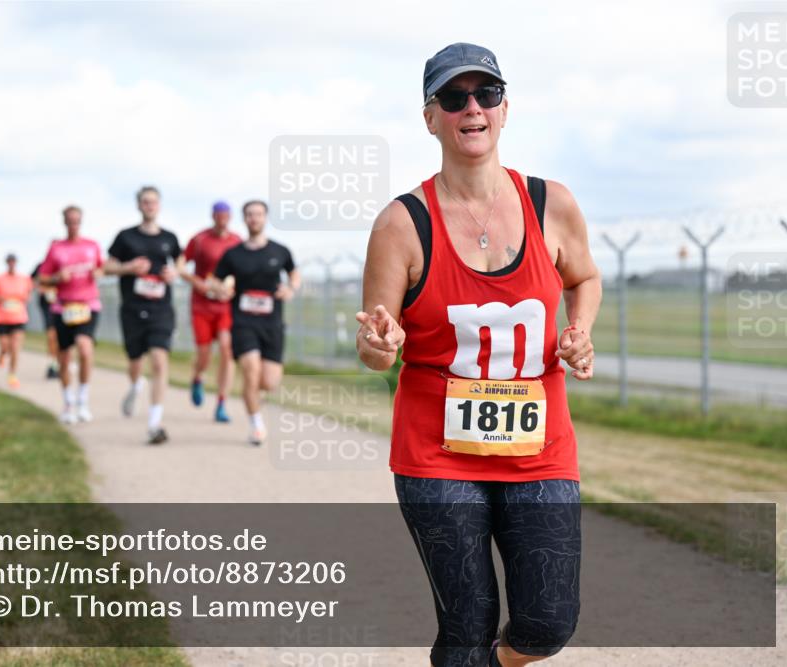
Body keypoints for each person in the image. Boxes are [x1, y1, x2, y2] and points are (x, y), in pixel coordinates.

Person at [355, 43, 602, 667]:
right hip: (438, 457)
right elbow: (376, 348)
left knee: (548, 623)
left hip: (540, 452)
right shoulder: (400, 224)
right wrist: (380, 343)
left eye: (485, 94)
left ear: (505, 108)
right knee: (466, 624)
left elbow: (585, 278)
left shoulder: (553, 202)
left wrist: (581, 329)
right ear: (430, 116)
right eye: (453, 97)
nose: (473, 108)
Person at [211, 200, 299, 445]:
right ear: (244, 218)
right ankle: (256, 424)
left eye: (258, 214)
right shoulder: (233, 254)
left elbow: (294, 273)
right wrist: (220, 289)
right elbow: (214, 280)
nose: (254, 218)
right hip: (243, 322)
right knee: (250, 369)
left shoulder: (280, 251)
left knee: (268, 382)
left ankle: (253, 395)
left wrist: (291, 288)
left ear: (265, 217)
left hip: (272, 324)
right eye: (249, 214)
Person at [104, 185, 181, 445]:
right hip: (133, 309)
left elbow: (179, 263)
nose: (149, 206)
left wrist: (174, 274)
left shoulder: (169, 238)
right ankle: (136, 385)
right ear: (138, 205)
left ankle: (154, 423)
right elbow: (107, 267)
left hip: (161, 308)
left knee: (159, 361)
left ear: (159, 206)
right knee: (135, 361)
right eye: (145, 202)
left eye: (153, 202)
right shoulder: (126, 237)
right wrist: (128, 267)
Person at [38, 205, 105, 424]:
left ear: (81, 221)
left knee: (85, 349)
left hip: (88, 305)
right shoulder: (56, 248)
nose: (74, 224)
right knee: (64, 358)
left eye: (77, 220)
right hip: (63, 307)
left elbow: (102, 268)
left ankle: (83, 400)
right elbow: (42, 278)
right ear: (64, 222)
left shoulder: (92, 246)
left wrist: (98, 272)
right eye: (70, 221)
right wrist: (57, 277)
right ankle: (68, 402)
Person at [178, 200, 242, 422]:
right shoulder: (200, 239)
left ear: (230, 217)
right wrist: (197, 282)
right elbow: (180, 266)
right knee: (204, 354)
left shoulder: (236, 241)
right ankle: (197, 377)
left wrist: (234, 289)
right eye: (218, 214)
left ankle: (222, 402)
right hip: (202, 305)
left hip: (225, 306)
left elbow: (243, 271)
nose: (222, 218)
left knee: (227, 349)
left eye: (226, 215)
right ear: (213, 216)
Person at [0, 253, 34, 389]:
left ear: (16, 263)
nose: (12, 264)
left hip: (19, 317)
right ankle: (2, 353)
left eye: (14, 261)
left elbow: (29, 293)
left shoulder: (24, 279)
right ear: (6, 263)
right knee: (5, 345)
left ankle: (12, 375)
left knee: (16, 347)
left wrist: (25, 298)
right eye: (9, 261)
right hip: (1, 318)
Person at [31, 261, 61, 379]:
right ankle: (53, 365)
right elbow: (32, 281)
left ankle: (61, 363)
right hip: (48, 306)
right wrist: (40, 287)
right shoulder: (41, 266)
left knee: (63, 337)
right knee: (52, 336)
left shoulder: (64, 264)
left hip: (64, 304)